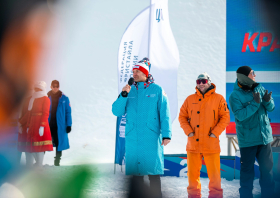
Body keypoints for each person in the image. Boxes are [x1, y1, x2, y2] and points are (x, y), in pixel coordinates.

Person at [112, 58, 172, 198]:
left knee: (153, 173)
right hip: (133, 137)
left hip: (151, 137)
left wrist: (166, 134)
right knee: (136, 174)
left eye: (138, 71)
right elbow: (116, 111)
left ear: (145, 73)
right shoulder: (129, 90)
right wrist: (123, 95)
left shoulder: (157, 90)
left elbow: (165, 113)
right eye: (133, 71)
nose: (135, 73)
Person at [179, 72, 230, 198]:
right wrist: (189, 132)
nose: (201, 84)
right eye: (198, 81)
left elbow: (225, 118)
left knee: (214, 176)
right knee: (192, 177)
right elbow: (182, 117)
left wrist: (215, 133)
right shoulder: (190, 99)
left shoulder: (219, 99)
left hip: (211, 144)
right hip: (193, 144)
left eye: (203, 81)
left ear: (209, 82)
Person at [229, 66, 275, 198]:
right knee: (247, 176)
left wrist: (268, 101)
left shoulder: (259, 87)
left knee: (267, 173)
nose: (255, 75)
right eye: (252, 73)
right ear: (244, 76)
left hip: (264, 139)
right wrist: (255, 103)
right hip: (248, 141)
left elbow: (271, 108)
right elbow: (240, 115)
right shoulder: (235, 96)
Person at [19, 81, 53, 167]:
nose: (37, 90)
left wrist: (42, 126)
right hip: (31, 125)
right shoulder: (32, 99)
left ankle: (39, 165)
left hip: (40, 124)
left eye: (39, 89)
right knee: (30, 145)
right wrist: (23, 123)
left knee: (39, 146)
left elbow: (45, 113)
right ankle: (29, 165)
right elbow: (29, 113)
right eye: (36, 89)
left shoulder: (46, 99)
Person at [48, 80, 72, 166]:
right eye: (53, 86)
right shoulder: (46, 97)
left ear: (59, 87)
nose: (55, 88)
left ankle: (57, 161)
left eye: (57, 86)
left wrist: (69, 125)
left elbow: (68, 112)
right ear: (51, 86)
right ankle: (40, 161)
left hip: (60, 125)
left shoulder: (64, 98)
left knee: (59, 142)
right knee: (44, 141)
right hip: (48, 124)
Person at [18, 87, 34, 166]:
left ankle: (29, 165)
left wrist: (20, 122)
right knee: (21, 146)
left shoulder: (33, 99)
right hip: (21, 127)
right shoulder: (23, 98)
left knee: (28, 147)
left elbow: (29, 113)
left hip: (28, 126)